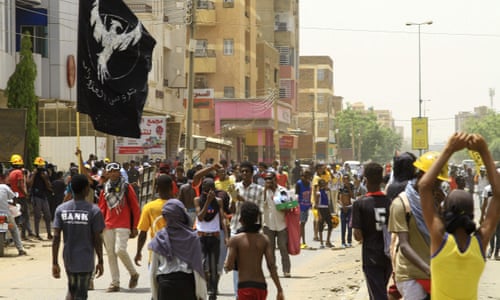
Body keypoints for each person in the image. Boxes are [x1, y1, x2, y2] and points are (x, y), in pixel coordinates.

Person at [419, 133, 500, 299]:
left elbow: (424, 186)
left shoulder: (439, 238)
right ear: (472, 214)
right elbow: (498, 195)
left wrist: (449, 149)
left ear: (444, 211)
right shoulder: (480, 242)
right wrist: (484, 151)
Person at [388, 151, 448, 299]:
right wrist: (427, 269)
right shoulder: (402, 204)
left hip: (435, 272)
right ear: (423, 177)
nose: (439, 186)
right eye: (437, 182)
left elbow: (443, 235)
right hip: (411, 275)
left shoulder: (434, 202)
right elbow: (404, 245)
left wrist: (440, 208)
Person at [52, 174, 105, 300]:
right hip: (86, 259)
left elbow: (56, 237)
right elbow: (97, 239)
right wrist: (100, 260)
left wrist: (54, 262)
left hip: (68, 258)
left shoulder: (61, 209)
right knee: (81, 294)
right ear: (86, 189)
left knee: (72, 289)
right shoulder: (94, 211)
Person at [224, 201, 285, 300]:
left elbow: (229, 266)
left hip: (245, 286)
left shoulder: (235, 240)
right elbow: (271, 265)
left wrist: (226, 266)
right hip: (261, 286)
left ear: (241, 220)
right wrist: (279, 289)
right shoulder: (264, 239)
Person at [149, 199, 207, 300]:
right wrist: (201, 295)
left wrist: (154, 295)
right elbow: (197, 268)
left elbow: (153, 270)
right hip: (186, 286)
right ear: (182, 215)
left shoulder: (159, 238)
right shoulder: (192, 238)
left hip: (165, 287)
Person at [98, 162, 141, 292]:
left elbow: (135, 207)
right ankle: (115, 282)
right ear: (107, 173)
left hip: (123, 224)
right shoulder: (105, 188)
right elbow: (102, 208)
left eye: (115, 171)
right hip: (108, 224)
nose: (113, 173)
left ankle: (133, 273)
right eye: (110, 171)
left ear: (119, 172)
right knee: (111, 254)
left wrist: (135, 226)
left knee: (120, 250)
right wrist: (99, 225)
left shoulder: (127, 187)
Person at [352, 162, 392, 300]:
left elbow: (357, 236)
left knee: (378, 294)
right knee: (380, 291)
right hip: (389, 256)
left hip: (371, 256)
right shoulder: (390, 201)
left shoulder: (359, 203)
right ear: (381, 180)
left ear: (366, 180)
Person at [230, 160, 264, 295]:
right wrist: (233, 199)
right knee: (236, 263)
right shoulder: (235, 187)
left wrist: (242, 199)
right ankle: (237, 294)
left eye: (247, 171)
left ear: (252, 173)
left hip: (252, 231)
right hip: (236, 228)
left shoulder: (259, 190)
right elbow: (231, 210)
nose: (244, 173)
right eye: (242, 171)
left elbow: (258, 211)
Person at [195, 177, 229, 300]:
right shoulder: (198, 200)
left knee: (214, 266)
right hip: (202, 237)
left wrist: (226, 236)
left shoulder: (219, 201)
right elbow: (200, 217)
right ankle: (204, 288)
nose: (208, 191)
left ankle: (213, 291)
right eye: (205, 188)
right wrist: (208, 201)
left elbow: (222, 218)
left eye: (210, 188)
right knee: (203, 265)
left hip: (214, 236)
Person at [134, 174, 173, 267]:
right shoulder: (178, 206)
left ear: (156, 188)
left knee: (154, 280)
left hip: (156, 254)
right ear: (171, 187)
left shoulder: (149, 207)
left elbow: (143, 233)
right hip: (175, 254)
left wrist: (138, 252)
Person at [262, 170, 291, 277]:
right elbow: (261, 204)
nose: (268, 181)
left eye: (270, 178)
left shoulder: (282, 190)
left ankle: (286, 270)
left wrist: (285, 206)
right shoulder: (263, 191)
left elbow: (287, 205)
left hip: (281, 224)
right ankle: (273, 270)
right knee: (270, 249)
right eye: (266, 179)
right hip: (268, 224)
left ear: (275, 179)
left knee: (283, 247)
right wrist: (265, 190)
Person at [8, 154, 35, 239]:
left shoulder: (11, 173)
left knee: (16, 215)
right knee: (25, 215)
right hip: (21, 196)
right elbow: (20, 185)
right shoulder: (19, 173)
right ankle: (23, 235)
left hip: (14, 197)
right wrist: (26, 194)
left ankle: (15, 236)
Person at [27, 156, 53, 240]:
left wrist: (45, 179)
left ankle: (49, 233)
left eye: (41, 166)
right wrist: (34, 174)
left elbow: (49, 187)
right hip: (36, 197)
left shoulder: (45, 174)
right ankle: (37, 234)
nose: (40, 168)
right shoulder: (32, 174)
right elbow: (29, 185)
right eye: (39, 166)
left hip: (44, 197)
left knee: (48, 216)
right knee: (37, 216)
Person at [0, 183, 27, 255]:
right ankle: (20, 249)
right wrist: (14, 204)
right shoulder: (4, 187)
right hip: (6, 214)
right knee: (14, 230)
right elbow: (14, 197)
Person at [296, 169, 312, 249]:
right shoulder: (299, 183)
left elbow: (310, 194)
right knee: (301, 225)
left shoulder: (309, 183)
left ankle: (299, 241)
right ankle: (302, 242)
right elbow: (296, 196)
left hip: (306, 206)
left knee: (303, 224)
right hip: (301, 207)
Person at [315, 179, 334, 248]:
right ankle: (321, 243)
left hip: (326, 209)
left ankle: (328, 241)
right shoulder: (318, 193)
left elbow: (329, 202)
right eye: (322, 184)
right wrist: (319, 214)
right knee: (321, 226)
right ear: (320, 185)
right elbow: (316, 204)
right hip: (321, 209)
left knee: (330, 225)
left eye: (324, 183)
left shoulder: (326, 192)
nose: (324, 185)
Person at [338, 174, 354, 248]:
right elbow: (339, 198)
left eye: (347, 179)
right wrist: (342, 206)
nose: (345, 180)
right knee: (343, 226)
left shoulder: (351, 186)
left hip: (349, 208)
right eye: (344, 179)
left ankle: (349, 241)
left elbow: (353, 196)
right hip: (343, 208)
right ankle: (343, 242)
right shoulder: (341, 187)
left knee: (349, 226)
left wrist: (348, 188)